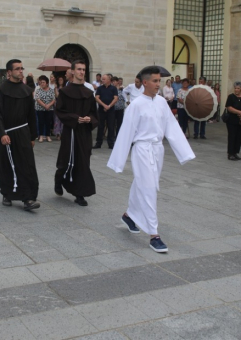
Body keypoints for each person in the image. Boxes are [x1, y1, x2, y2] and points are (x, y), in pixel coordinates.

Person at [107, 66, 195, 253]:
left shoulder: (162, 102)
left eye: (159, 81)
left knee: (144, 184)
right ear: (145, 82)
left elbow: (172, 127)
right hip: (142, 150)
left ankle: (129, 215)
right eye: (155, 81)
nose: (158, 84)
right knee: (149, 189)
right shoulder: (136, 105)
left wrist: (184, 152)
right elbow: (126, 132)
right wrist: (118, 161)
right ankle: (154, 235)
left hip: (157, 150)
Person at [0, 59, 40, 211]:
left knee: (27, 165)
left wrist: (33, 136)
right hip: (7, 134)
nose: (21, 71)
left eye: (22, 68)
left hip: (23, 132)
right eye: (17, 69)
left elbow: (31, 115)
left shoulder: (26, 90)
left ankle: (28, 198)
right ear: (9, 72)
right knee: (6, 165)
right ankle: (7, 193)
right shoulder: (1, 91)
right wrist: (2, 133)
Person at [54, 60, 98, 206]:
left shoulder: (89, 93)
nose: (82, 72)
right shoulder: (65, 92)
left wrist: (89, 119)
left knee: (84, 160)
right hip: (70, 131)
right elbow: (60, 111)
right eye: (79, 69)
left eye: (84, 70)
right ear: (72, 71)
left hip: (84, 132)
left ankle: (80, 193)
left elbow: (94, 113)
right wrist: (75, 118)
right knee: (66, 159)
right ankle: (59, 179)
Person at [225, 81, 241, 160]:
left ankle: (235, 152)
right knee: (232, 136)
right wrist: (239, 112)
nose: (236, 90)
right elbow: (229, 107)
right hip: (232, 120)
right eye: (235, 88)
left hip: (240, 120)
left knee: (239, 137)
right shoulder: (231, 97)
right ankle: (230, 153)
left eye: (238, 88)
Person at [93, 74, 118, 149]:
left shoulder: (113, 88)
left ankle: (111, 143)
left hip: (111, 110)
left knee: (111, 126)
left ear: (109, 80)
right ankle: (98, 143)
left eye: (104, 79)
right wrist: (104, 106)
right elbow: (97, 98)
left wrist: (109, 106)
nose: (102, 80)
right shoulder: (100, 88)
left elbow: (116, 98)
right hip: (101, 110)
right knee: (100, 126)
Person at [34, 75, 56, 143]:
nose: (42, 84)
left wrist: (49, 105)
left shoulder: (51, 90)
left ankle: (48, 135)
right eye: (41, 82)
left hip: (49, 109)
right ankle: (41, 136)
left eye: (43, 82)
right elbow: (38, 99)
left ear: (47, 83)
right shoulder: (38, 90)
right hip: (40, 109)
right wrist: (44, 105)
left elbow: (53, 99)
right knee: (41, 122)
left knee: (48, 122)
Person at [53, 75, 65, 140]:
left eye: (61, 80)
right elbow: (57, 96)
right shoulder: (56, 88)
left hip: (63, 105)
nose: (60, 81)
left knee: (62, 120)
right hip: (57, 105)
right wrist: (55, 88)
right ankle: (58, 133)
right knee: (57, 119)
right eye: (59, 80)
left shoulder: (65, 88)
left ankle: (62, 133)